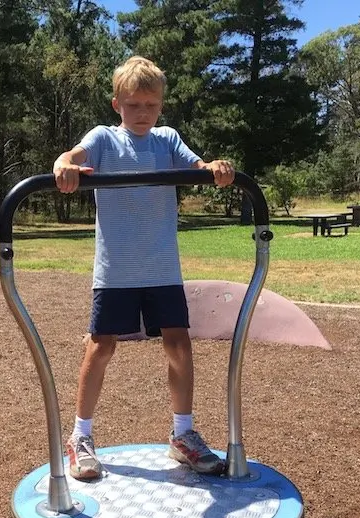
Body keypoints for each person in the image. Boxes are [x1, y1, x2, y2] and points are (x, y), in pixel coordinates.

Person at [53, 55, 235, 480]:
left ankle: (182, 435)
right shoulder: (103, 138)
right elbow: (73, 153)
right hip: (116, 269)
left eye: (151, 105)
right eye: (134, 104)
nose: (142, 113)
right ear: (117, 103)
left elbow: (198, 166)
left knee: (179, 344)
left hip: (161, 267)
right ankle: (80, 436)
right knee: (101, 347)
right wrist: (64, 163)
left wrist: (216, 169)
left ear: (161, 107)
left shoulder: (167, 140)